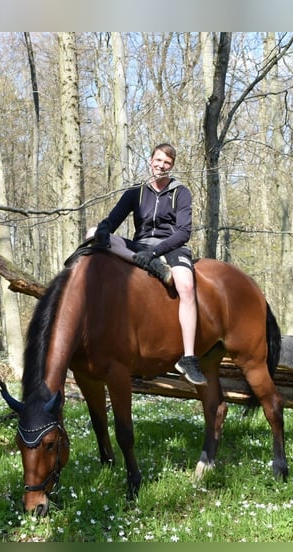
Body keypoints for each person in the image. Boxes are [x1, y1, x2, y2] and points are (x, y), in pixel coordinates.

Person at [88, 143, 207, 386]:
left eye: (167, 163)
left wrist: (155, 251)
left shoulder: (180, 192)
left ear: (171, 166)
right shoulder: (135, 192)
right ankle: (144, 263)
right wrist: (103, 228)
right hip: (139, 247)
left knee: (185, 285)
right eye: (159, 160)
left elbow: (184, 232)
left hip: (171, 247)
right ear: (150, 160)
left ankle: (189, 357)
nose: (161, 166)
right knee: (92, 232)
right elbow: (113, 220)